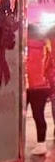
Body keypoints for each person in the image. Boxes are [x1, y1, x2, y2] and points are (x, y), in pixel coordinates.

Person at [27, 27, 53, 155]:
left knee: (17, 117)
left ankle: (14, 143)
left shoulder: (25, 46)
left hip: (27, 85)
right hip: (42, 85)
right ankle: (41, 143)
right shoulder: (46, 46)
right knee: (39, 115)